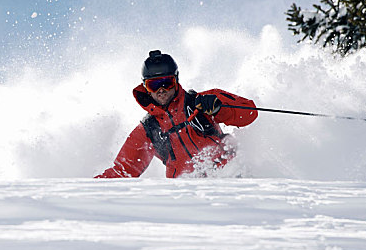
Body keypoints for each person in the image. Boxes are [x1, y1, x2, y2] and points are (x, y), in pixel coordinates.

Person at [95, 50, 258, 178]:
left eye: (167, 83)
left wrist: (219, 108)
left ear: (176, 80)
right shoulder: (149, 130)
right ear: (145, 87)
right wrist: (86, 190)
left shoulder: (199, 103)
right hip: (186, 192)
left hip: (230, 174)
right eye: (154, 85)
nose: (161, 90)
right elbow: (123, 171)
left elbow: (250, 113)